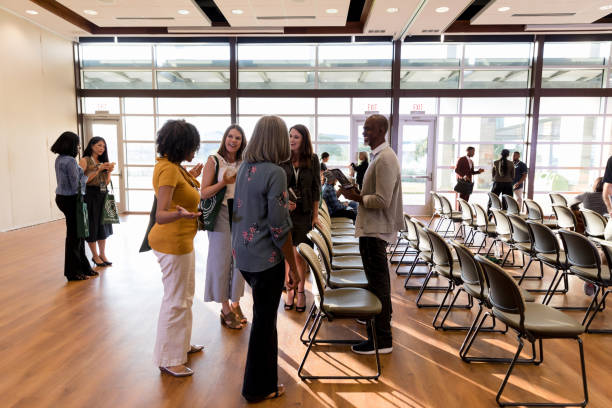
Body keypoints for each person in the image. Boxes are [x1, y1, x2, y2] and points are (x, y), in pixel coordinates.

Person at [231, 115, 299, 402]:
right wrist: (293, 266)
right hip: (266, 258)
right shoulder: (276, 172)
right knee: (264, 323)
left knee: (263, 320)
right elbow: (279, 228)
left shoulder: (245, 167)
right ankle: (258, 387)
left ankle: (263, 382)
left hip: (244, 254)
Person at [340, 114, 403, 355]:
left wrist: (356, 197)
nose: (364, 133)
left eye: (368, 129)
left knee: (378, 284)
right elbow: (375, 193)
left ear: (381, 131)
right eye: (364, 129)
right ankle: (379, 322)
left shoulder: (385, 158)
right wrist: (358, 192)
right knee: (377, 282)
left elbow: (382, 201)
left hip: (376, 229)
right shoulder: (379, 156)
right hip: (372, 227)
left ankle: (381, 339)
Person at [148, 120, 205, 377]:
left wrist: (190, 177)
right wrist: (183, 215)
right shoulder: (169, 170)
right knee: (176, 300)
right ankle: (170, 359)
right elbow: (161, 215)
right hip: (172, 243)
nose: (195, 150)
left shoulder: (173, 167)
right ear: (181, 146)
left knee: (184, 297)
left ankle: (179, 345)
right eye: (192, 146)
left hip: (181, 241)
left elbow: (177, 193)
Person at [201, 124, 247, 330]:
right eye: (230, 136)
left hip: (241, 213)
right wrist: (223, 182)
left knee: (239, 261)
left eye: (237, 138)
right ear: (224, 138)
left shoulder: (244, 162)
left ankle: (235, 302)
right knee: (221, 261)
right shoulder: (214, 160)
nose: (233, 140)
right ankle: (225, 308)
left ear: (242, 142)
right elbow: (204, 192)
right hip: (220, 213)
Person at [280, 124, 321, 312]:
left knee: (300, 254)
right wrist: (283, 203)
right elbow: (277, 187)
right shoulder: (283, 159)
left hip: (304, 213)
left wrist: (315, 215)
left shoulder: (313, 159)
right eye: (290, 136)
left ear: (304, 139)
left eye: (296, 136)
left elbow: (316, 188)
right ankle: (290, 290)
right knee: (288, 254)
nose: (292, 140)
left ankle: (301, 290)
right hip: (285, 213)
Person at [51, 131, 96, 281]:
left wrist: (85, 174)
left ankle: (83, 268)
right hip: (72, 199)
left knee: (78, 234)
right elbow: (76, 184)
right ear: (70, 145)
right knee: (75, 236)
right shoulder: (70, 161)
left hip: (62, 198)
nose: (78, 148)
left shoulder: (59, 159)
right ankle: (73, 272)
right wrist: (89, 174)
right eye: (77, 145)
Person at [79, 137, 115, 267]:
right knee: (92, 225)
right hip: (90, 195)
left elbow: (106, 182)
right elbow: (82, 181)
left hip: (102, 194)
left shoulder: (103, 161)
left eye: (103, 146)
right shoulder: (85, 160)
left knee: (103, 225)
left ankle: (102, 254)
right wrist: (98, 169)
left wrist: (109, 172)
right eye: (99, 145)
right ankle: (94, 255)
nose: (102, 148)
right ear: (92, 145)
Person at [489, 149, 515, 213]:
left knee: (493, 199)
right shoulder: (511, 163)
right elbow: (513, 175)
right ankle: (505, 215)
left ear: (501, 154)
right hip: (508, 184)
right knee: (507, 201)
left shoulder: (495, 162)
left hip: (497, 183)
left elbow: (493, 174)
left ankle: (489, 215)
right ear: (508, 155)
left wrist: (496, 179)